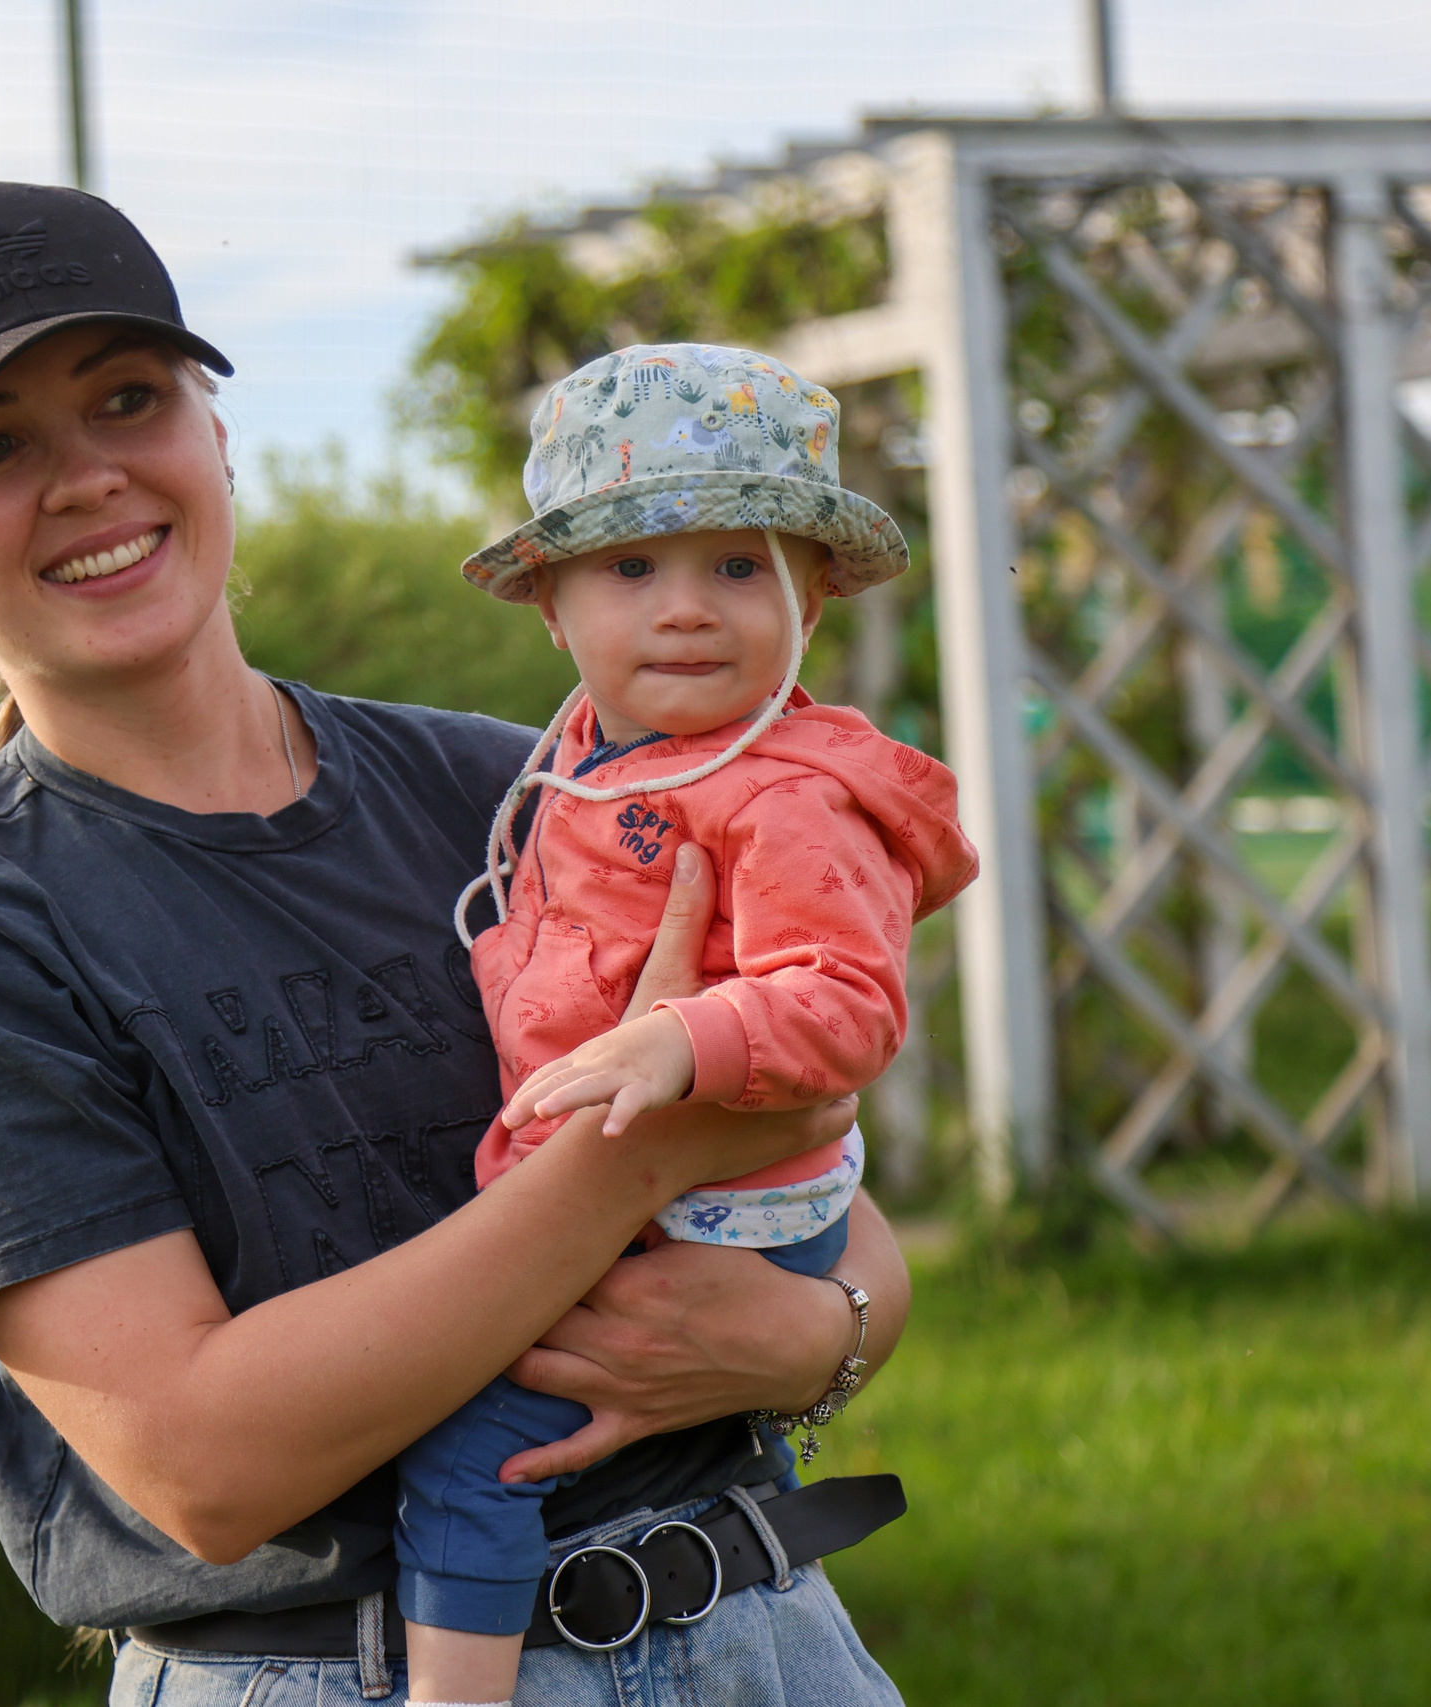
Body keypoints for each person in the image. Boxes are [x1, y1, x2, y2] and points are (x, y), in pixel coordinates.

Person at [0, 181, 914, 1707]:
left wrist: (814, 1342)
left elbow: (835, 1211)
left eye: (129, 400)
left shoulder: (517, 792)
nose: (82, 478)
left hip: (763, 1636)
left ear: (215, 437)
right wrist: (637, 1161)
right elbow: (205, 1465)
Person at [390, 345, 978, 1706]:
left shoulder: (781, 793)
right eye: (633, 570)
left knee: (471, 1441)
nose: (687, 612)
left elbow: (848, 1000)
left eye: (736, 567)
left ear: (811, 597)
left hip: (728, 1200)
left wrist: (683, 1043)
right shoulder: (590, 759)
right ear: (551, 606)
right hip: (675, 1183)